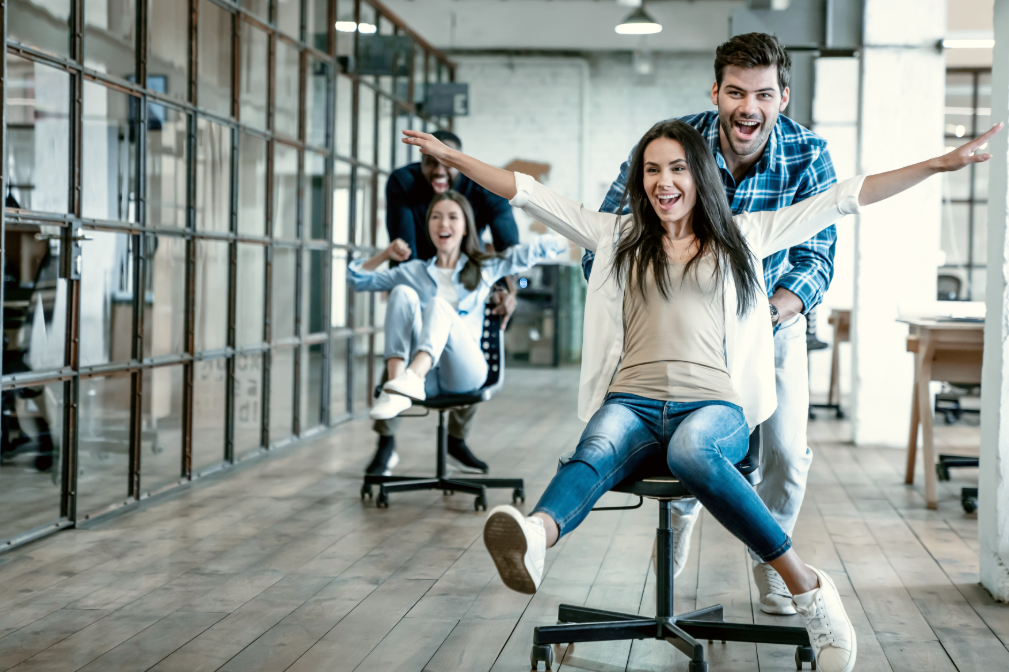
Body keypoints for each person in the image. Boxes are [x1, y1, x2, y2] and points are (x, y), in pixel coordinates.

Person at [401, 119, 1001, 672]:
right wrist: (453, 157)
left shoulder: (744, 234)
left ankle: (806, 586)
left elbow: (844, 197)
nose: (664, 181)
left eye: (678, 168)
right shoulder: (617, 234)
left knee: (691, 450)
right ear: (641, 181)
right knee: (597, 443)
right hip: (633, 402)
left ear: (699, 175)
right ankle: (535, 535)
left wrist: (938, 164)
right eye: (652, 170)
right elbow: (526, 192)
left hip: (713, 408)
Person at [583, 32, 839, 613]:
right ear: (716, 92)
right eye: (736, 92)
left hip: (774, 317)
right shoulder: (674, 145)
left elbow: (816, 260)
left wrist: (766, 315)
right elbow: (602, 241)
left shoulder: (808, 154)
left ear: (783, 97)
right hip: (681, 318)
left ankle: (772, 565)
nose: (749, 107)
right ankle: (675, 535)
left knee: (785, 452)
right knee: (687, 440)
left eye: (764, 94)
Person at [366, 130, 521, 478]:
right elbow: (403, 245)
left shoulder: (484, 185)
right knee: (402, 341)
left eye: (446, 163)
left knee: (472, 339)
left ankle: (456, 439)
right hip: (424, 266)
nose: (438, 171)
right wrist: (411, 288)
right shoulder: (403, 183)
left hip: (467, 267)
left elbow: (507, 245)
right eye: (429, 163)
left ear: (461, 165)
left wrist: (507, 289)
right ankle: (386, 442)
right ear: (419, 162)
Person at [350, 191, 562, 443]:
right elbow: (356, 280)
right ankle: (396, 387)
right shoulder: (413, 270)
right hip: (427, 382)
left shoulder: (485, 267)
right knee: (401, 292)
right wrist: (385, 255)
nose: (444, 223)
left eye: (453, 217)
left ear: (464, 228)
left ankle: (413, 376)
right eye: (436, 217)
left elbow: (528, 253)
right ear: (428, 226)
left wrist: (573, 237)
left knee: (439, 305)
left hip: (465, 373)